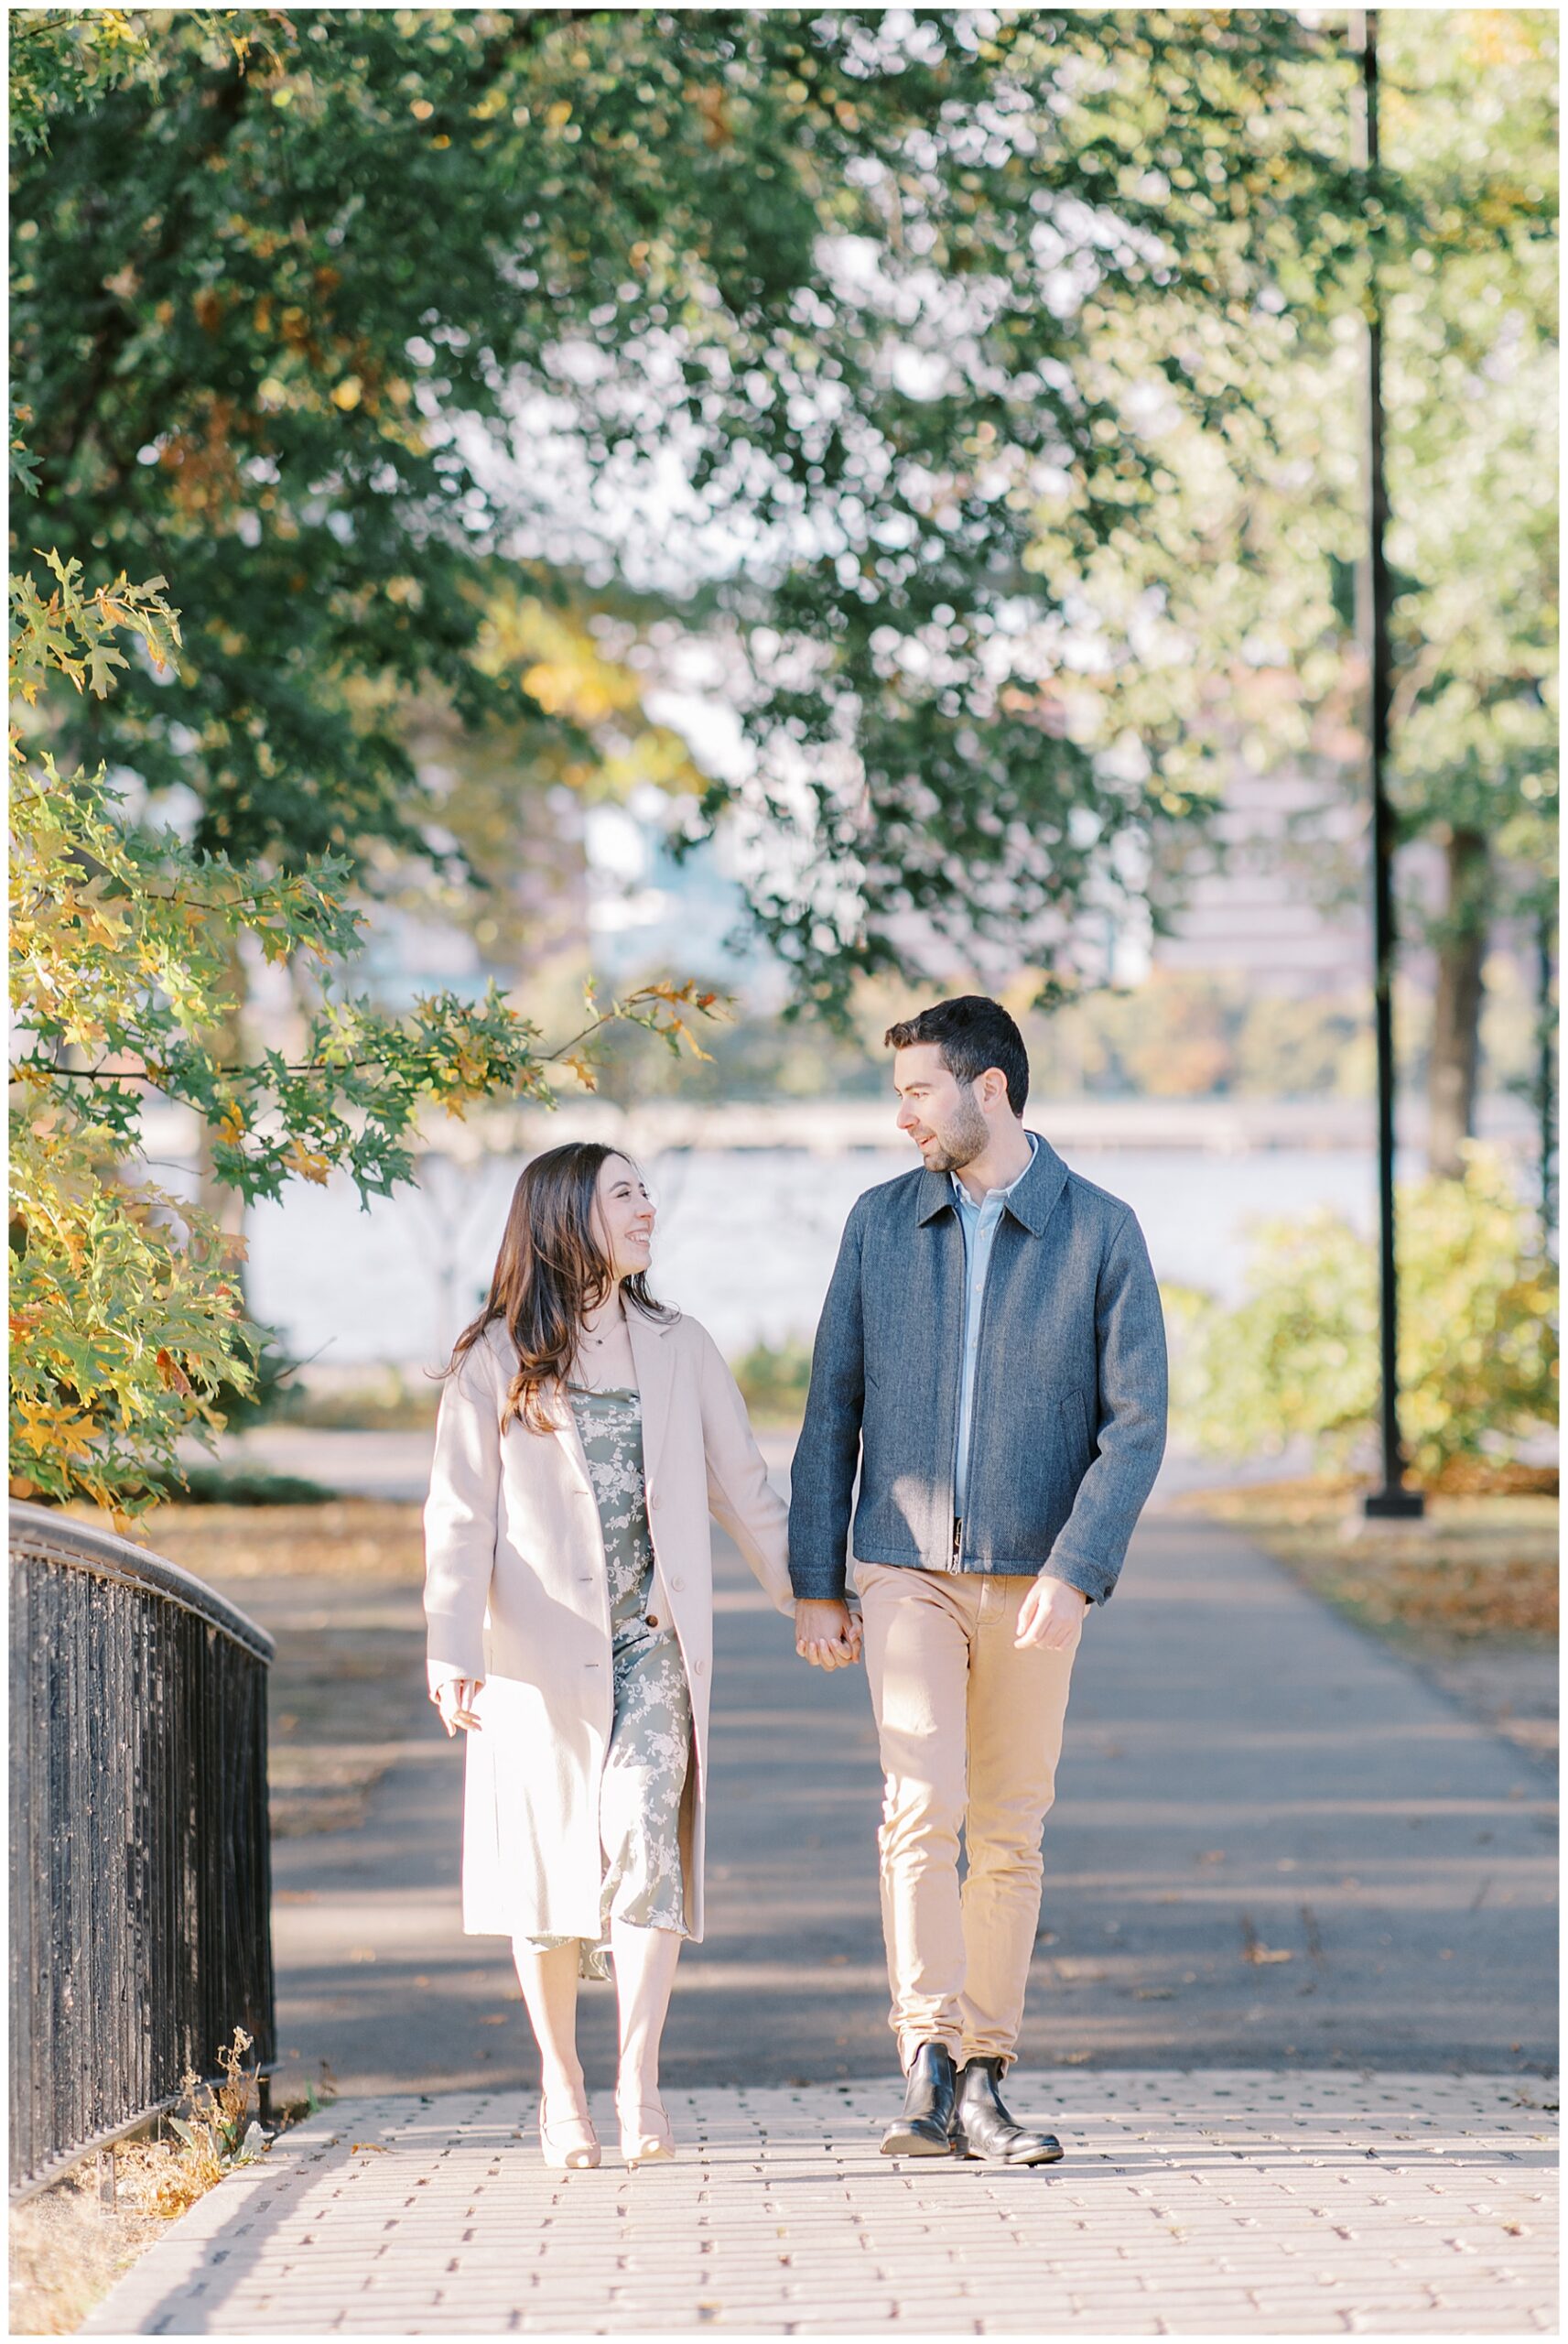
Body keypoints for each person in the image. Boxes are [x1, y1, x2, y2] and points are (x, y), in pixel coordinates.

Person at [788, 995, 1166, 2165]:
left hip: (1034, 1580)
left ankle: (986, 2076)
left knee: (1008, 1827)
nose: (901, 1114)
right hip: (904, 1569)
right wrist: (818, 1580)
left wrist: (1077, 1569)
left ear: (986, 1088)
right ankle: (927, 2064)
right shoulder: (877, 1223)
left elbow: (1137, 1426)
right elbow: (831, 1406)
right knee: (918, 1805)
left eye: (916, 1090)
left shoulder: (1099, 1230)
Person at [424, 1141, 795, 2171]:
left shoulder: (680, 1344)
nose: (647, 1207)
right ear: (563, 1217)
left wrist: (811, 1599)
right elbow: (459, 1520)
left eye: (645, 1190)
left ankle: (638, 2076)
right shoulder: (494, 1357)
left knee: (643, 1830)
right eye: (623, 1192)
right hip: (535, 1659)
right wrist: (451, 1650)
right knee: (545, 1873)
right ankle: (560, 2076)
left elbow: (745, 1488)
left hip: (655, 1642)